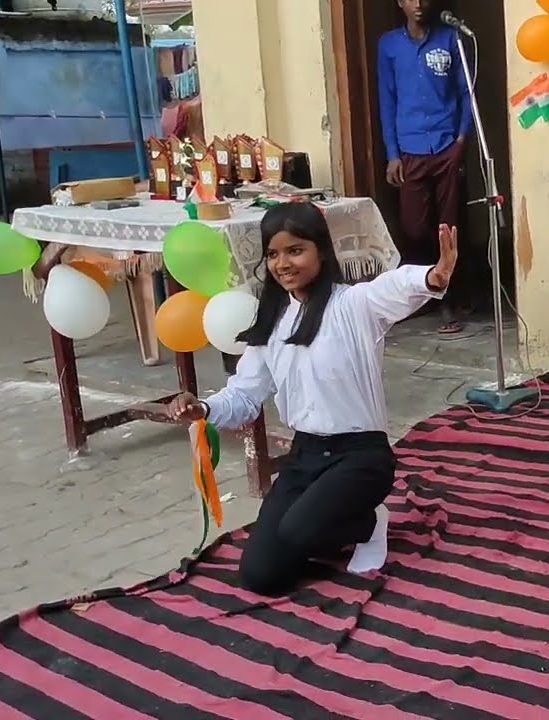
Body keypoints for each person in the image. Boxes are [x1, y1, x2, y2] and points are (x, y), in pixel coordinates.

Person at [168, 202, 458, 596]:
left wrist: (433, 277)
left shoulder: (353, 305)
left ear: (321, 250)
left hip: (360, 457)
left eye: (295, 250)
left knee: (300, 530)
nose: (283, 264)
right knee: (262, 576)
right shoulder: (272, 324)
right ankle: (323, 521)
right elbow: (244, 394)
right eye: (273, 254)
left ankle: (369, 523)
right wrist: (203, 408)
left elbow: (393, 287)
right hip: (305, 456)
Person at [377, 0, 473, 334]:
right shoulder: (389, 45)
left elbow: (466, 92)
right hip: (410, 147)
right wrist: (392, 153)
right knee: (414, 227)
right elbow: (387, 99)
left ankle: (447, 299)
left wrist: (461, 139)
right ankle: (423, 292)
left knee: (449, 225)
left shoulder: (450, 38)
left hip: (446, 144)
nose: (417, 4)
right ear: (400, 3)